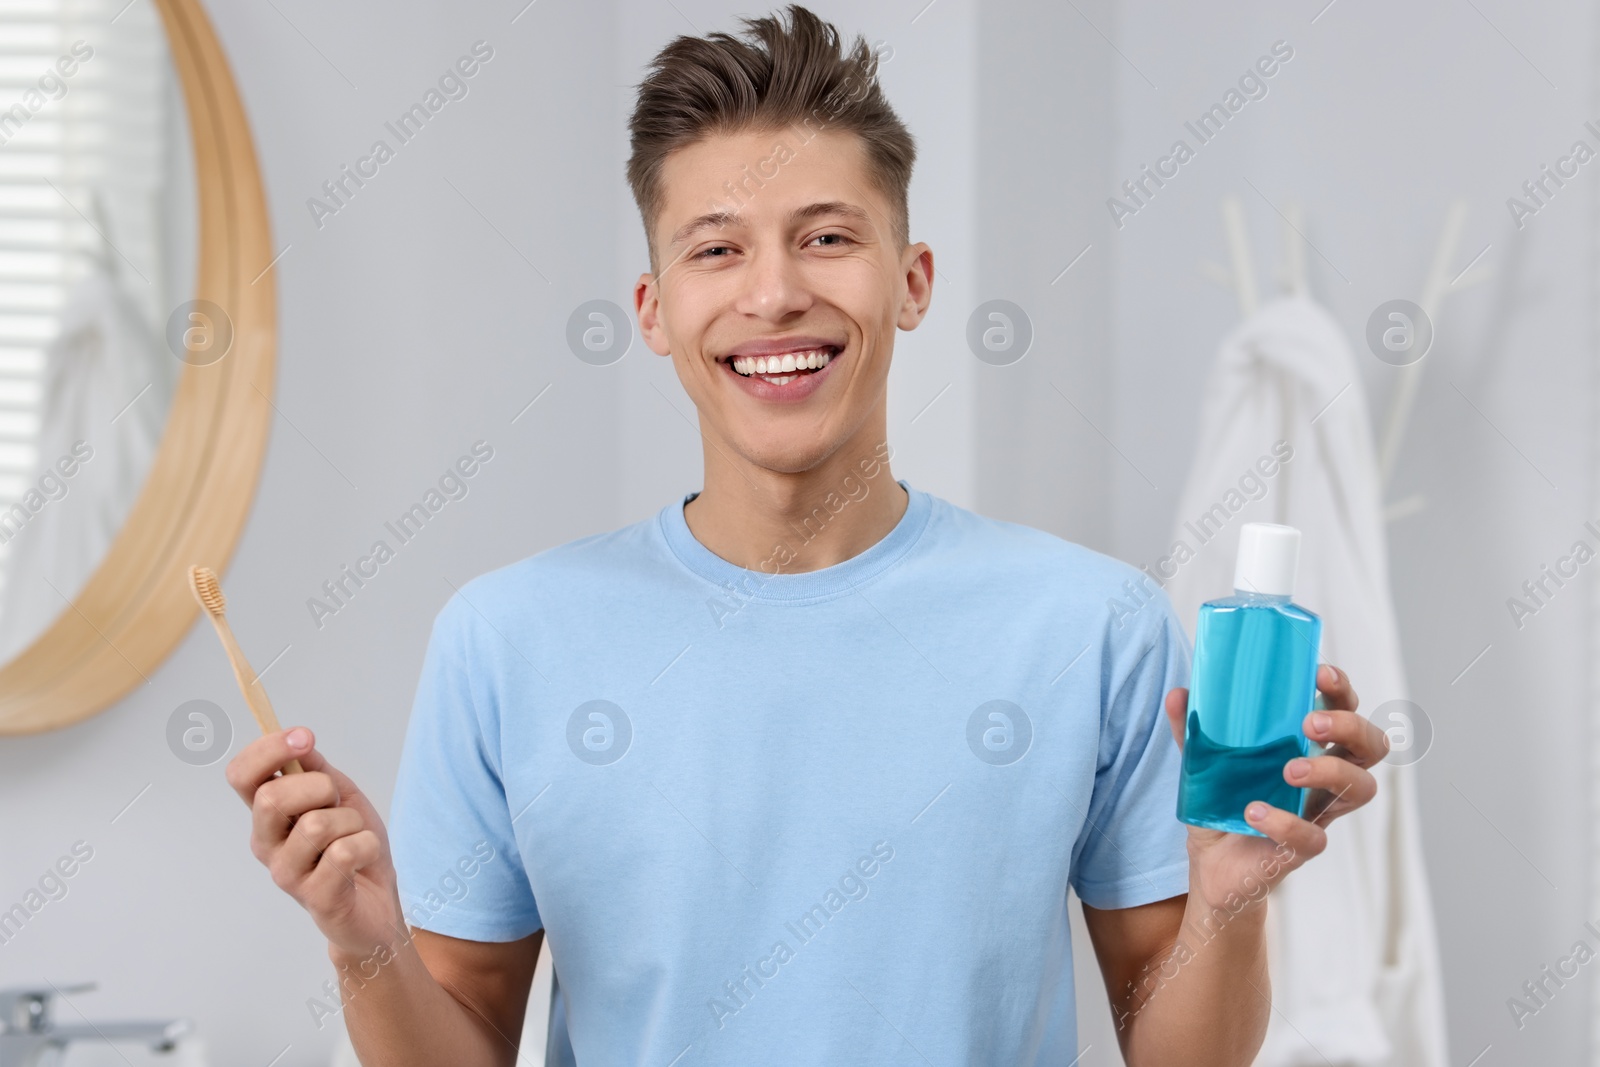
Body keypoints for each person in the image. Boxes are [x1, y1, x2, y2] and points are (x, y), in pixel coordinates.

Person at [225, 6, 1390, 1064]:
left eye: (826, 237)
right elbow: (463, 1043)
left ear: (913, 280)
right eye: (715, 247)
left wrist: (1230, 905)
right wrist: (362, 939)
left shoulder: (1091, 624)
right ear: (654, 309)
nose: (772, 293)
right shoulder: (506, 638)